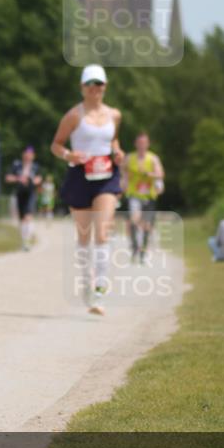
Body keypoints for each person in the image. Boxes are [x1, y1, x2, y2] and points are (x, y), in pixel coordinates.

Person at [51, 64, 124, 316]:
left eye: (99, 84)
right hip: (80, 176)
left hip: (106, 176)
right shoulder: (74, 115)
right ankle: (86, 283)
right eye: (90, 84)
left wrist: (117, 151)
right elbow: (56, 145)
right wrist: (70, 154)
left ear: (105, 86)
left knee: (102, 232)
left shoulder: (114, 115)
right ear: (82, 87)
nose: (95, 89)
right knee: (84, 235)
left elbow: (113, 140)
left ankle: (100, 287)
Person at [121, 131, 165, 263]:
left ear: (148, 144)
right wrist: (123, 184)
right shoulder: (129, 158)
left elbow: (160, 174)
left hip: (149, 196)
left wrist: (150, 175)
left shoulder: (153, 158)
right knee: (134, 220)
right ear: (136, 144)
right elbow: (123, 173)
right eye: (139, 143)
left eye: (144, 143)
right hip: (134, 195)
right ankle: (135, 247)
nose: (141, 145)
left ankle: (143, 252)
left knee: (147, 226)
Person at [5, 147, 42, 251]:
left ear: (33, 156)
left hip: (30, 193)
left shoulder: (35, 167)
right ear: (23, 155)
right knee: (22, 219)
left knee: (28, 216)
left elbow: (39, 178)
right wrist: (19, 178)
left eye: (30, 154)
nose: (28, 156)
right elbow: (7, 177)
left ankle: (27, 242)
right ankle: (25, 239)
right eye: (26, 154)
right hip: (20, 193)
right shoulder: (16, 165)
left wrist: (31, 181)